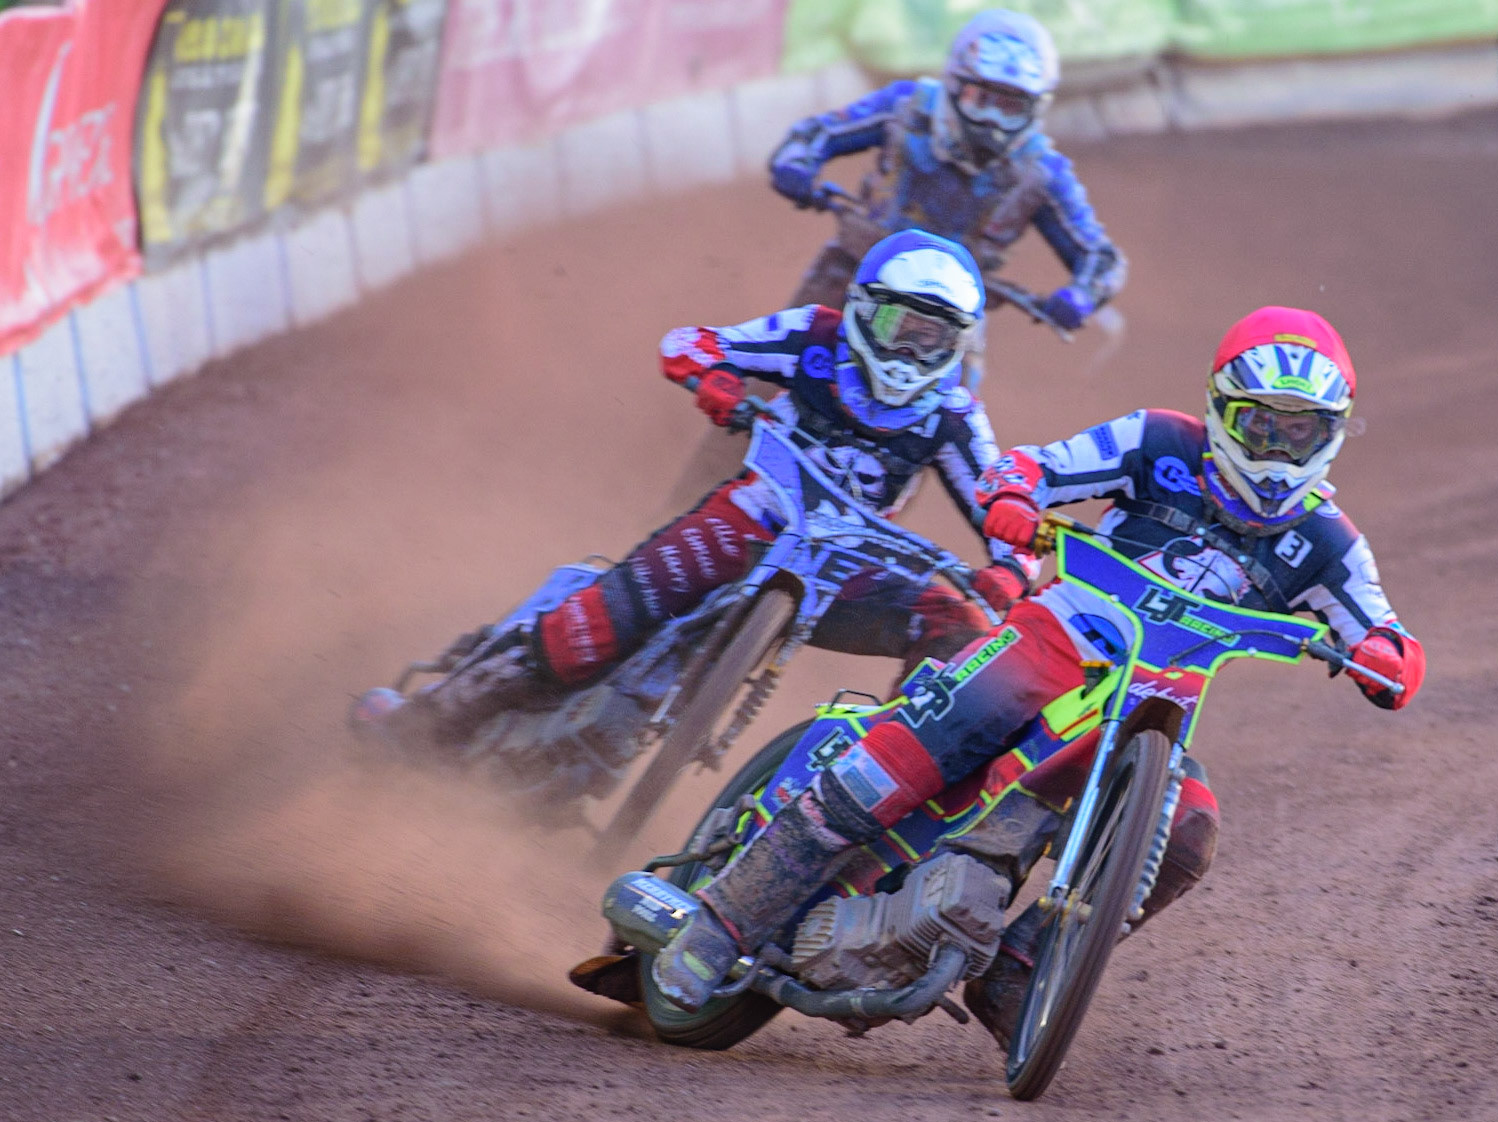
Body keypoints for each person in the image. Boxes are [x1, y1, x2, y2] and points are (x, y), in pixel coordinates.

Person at [648, 307, 1427, 1046]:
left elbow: (1387, 633)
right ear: (1223, 409)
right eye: (1262, 425)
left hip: (1156, 704)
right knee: (940, 729)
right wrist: (1015, 494)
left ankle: (1019, 973)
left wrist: (1388, 659)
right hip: (1058, 638)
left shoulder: (1329, 541)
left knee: (1188, 831)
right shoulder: (1158, 440)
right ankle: (722, 922)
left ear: (1331, 433)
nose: (1278, 449)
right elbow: (1033, 466)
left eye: (1300, 431)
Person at [353, 229, 1031, 772]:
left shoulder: (955, 417)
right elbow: (692, 343)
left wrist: (1008, 572)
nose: (909, 349)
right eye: (898, 323)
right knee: (590, 630)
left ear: (958, 343)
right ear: (861, 308)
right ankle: (428, 721)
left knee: (959, 622)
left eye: (931, 336)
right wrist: (714, 381)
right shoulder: (812, 336)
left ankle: (883, 781)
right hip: (752, 518)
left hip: (849, 565)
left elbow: (1012, 515)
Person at [769, 9, 1125, 342]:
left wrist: (1080, 297)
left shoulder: (1042, 172)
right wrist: (796, 165)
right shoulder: (907, 107)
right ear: (954, 85)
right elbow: (816, 133)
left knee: (957, 393)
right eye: (981, 99)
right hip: (854, 275)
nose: (992, 121)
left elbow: (1101, 258)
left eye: (1010, 107)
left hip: (948, 315)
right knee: (780, 362)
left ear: (1035, 109)